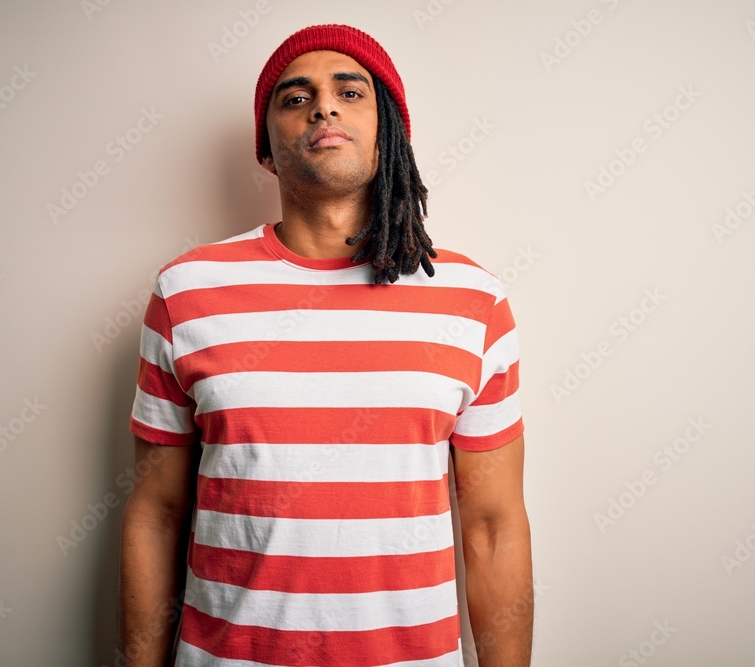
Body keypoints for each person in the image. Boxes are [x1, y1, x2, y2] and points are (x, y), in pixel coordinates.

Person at [118, 23, 532, 667]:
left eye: (350, 91)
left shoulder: (472, 300)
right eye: (294, 96)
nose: (323, 106)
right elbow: (156, 514)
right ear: (265, 148)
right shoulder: (186, 291)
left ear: (388, 128)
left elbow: (494, 526)